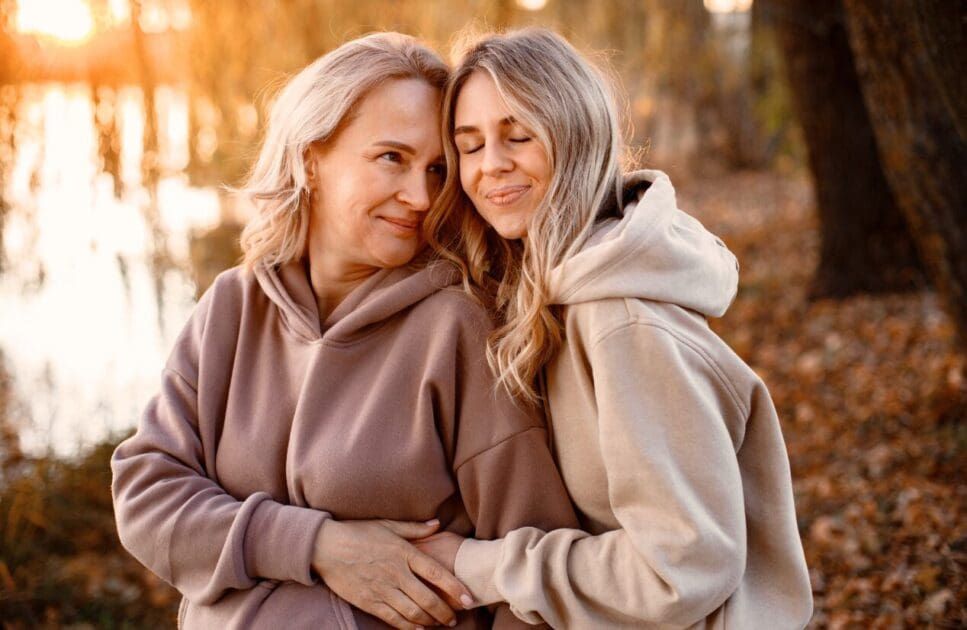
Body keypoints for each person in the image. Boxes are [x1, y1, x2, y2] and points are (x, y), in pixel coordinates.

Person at [111, 32, 578, 630]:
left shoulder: (458, 329)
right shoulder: (232, 306)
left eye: (437, 169)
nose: (421, 196)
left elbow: (533, 578)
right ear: (311, 158)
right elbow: (147, 494)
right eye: (392, 158)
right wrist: (317, 546)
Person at [420, 28, 814, 629]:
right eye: (469, 146)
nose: (491, 165)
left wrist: (480, 566)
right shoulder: (546, 289)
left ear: (575, 135)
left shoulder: (620, 320)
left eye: (518, 136)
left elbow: (681, 567)